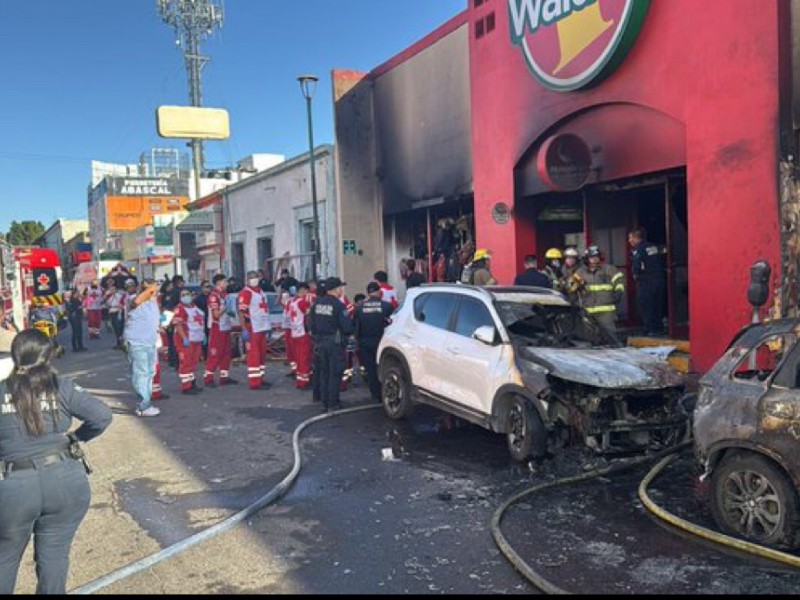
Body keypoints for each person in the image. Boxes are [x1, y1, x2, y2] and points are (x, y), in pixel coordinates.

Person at [0, 330, 112, 595]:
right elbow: (102, 416)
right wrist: (76, 437)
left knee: (5, 557)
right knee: (54, 555)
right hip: (65, 480)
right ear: (48, 356)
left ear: (16, 356)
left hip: (16, 485)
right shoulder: (61, 386)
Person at [307, 277, 354, 413]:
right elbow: (347, 327)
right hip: (334, 343)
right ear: (335, 289)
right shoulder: (339, 305)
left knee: (324, 372)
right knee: (335, 373)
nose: (341, 290)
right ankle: (333, 403)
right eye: (340, 287)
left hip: (319, 342)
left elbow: (310, 324)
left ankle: (324, 401)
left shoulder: (317, 303)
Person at [124, 279, 162, 417]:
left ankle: (146, 403)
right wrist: (149, 289)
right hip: (137, 342)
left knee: (150, 373)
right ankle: (143, 406)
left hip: (150, 341)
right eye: (151, 290)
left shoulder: (153, 302)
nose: (154, 292)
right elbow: (136, 303)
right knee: (141, 373)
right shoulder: (134, 298)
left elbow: (153, 319)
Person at [354, 282, 394, 403]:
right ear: (379, 292)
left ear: (368, 293)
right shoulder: (387, 306)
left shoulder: (359, 307)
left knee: (370, 369)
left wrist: (357, 342)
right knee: (384, 367)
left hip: (365, 342)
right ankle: (386, 392)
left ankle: (375, 395)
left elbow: (356, 327)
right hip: (381, 341)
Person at [575, 246, 625, 338]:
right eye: (592, 257)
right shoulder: (580, 272)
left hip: (606, 310)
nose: (594, 259)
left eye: (596, 256)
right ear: (587, 258)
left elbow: (619, 280)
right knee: (590, 336)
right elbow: (571, 287)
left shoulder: (608, 269)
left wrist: (618, 291)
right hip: (588, 310)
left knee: (610, 336)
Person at [628, 228, 667, 336]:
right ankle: (659, 328)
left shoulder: (639, 249)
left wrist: (635, 275)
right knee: (657, 304)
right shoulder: (653, 247)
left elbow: (636, 266)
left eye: (630, 238)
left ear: (636, 238)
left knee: (646, 305)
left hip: (646, 282)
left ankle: (649, 329)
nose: (629, 241)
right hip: (659, 279)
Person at [238, 271, 271, 390]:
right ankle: (254, 382)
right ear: (247, 279)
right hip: (252, 327)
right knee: (254, 355)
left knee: (261, 355)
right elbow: (241, 312)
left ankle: (260, 378)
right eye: (251, 278)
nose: (254, 279)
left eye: (255, 277)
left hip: (261, 327)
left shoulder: (261, 292)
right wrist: (243, 329)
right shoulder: (246, 293)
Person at [204, 274, 237, 387]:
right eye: (225, 281)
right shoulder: (214, 296)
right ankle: (208, 378)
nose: (226, 284)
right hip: (217, 327)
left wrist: (231, 311)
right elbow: (216, 315)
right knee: (215, 353)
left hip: (226, 326)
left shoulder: (225, 295)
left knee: (226, 353)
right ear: (219, 283)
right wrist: (225, 308)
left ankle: (224, 377)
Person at [172, 288, 205, 395]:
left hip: (196, 338)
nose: (186, 296)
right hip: (185, 339)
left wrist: (203, 334)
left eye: (188, 294)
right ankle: (186, 386)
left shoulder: (195, 307)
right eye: (183, 295)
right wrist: (184, 338)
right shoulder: (179, 309)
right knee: (186, 361)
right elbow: (178, 324)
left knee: (193, 362)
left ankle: (192, 382)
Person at [289, 283, 313, 390]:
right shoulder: (302, 302)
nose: (307, 294)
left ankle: (300, 380)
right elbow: (309, 315)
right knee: (304, 358)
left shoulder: (292, 301)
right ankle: (304, 381)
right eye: (307, 291)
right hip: (303, 333)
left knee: (299, 358)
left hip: (295, 333)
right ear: (302, 290)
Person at [66, 288, 87, 352]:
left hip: (77, 317)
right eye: (78, 293)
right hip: (74, 317)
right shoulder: (72, 300)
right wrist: (79, 307)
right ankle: (75, 347)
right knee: (75, 332)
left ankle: (80, 346)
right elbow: (71, 309)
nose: (79, 294)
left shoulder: (77, 299)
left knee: (79, 331)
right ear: (75, 293)